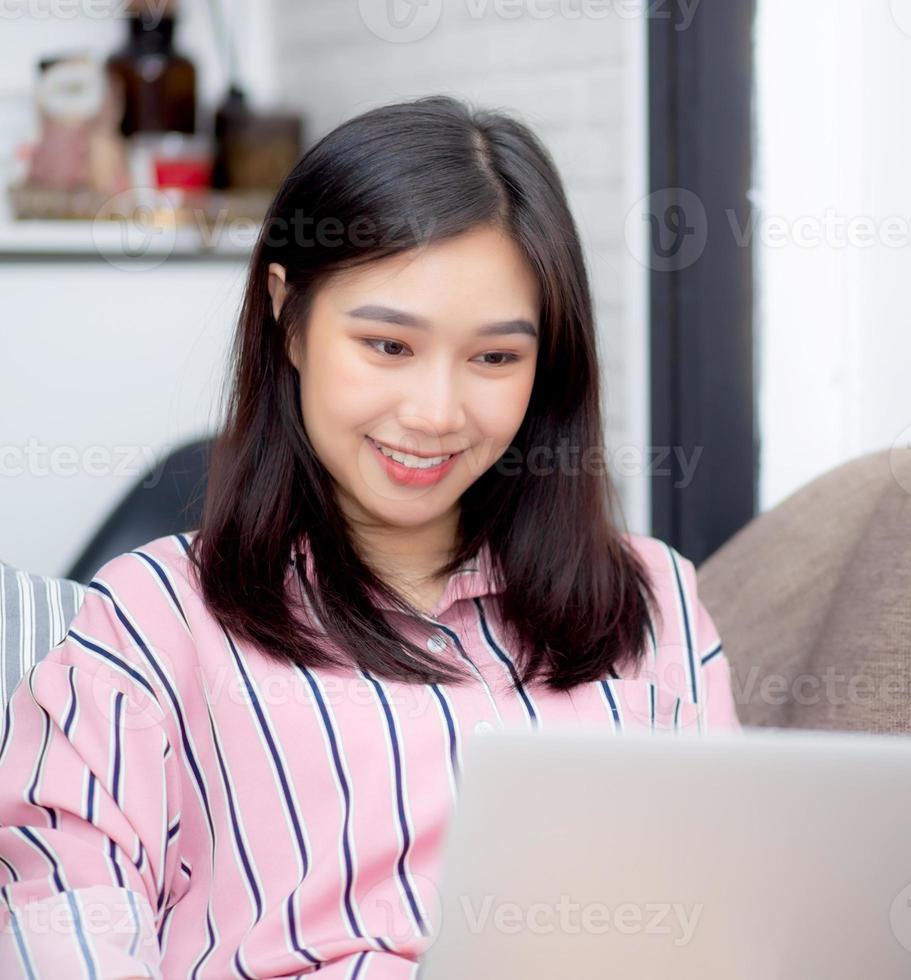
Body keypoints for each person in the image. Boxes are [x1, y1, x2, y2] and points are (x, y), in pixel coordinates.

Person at [0, 95, 740, 978]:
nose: (435, 414)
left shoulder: (656, 606)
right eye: (389, 346)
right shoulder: (151, 621)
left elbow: (726, 923)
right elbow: (62, 929)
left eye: (495, 358)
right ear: (289, 317)